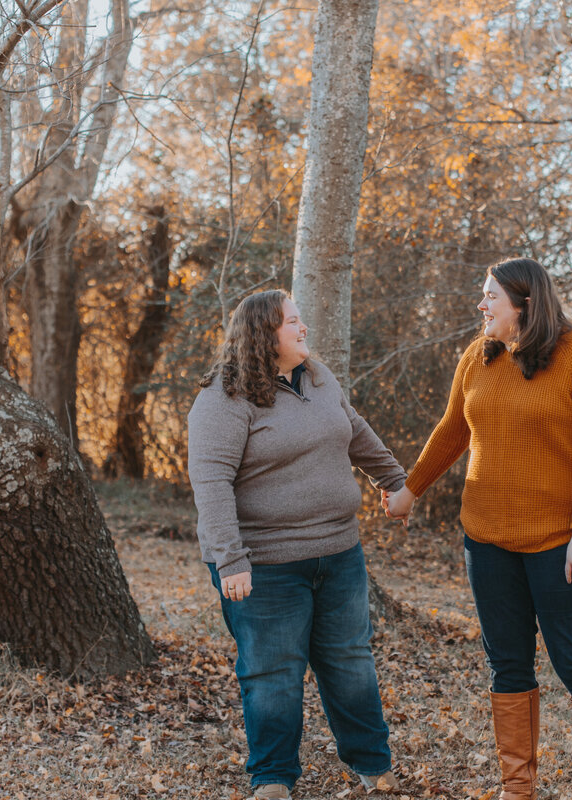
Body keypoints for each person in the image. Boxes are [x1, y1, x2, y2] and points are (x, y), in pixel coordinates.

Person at [383, 258, 572, 800]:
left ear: (524, 304)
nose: (481, 305)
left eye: (490, 297)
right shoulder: (478, 355)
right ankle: (517, 789)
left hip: (563, 542)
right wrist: (409, 490)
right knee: (507, 663)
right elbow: (451, 430)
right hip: (487, 541)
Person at [187, 289, 404, 800]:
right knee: (272, 673)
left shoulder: (319, 377)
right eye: (292, 322)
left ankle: (373, 765)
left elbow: (355, 432)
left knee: (350, 660)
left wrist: (394, 481)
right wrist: (231, 559)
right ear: (265, 334)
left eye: (301, 319)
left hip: (338, 551)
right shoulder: (224, 397)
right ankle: (273, 778)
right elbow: (211, 482)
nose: (303, 328)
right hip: (263, 565)